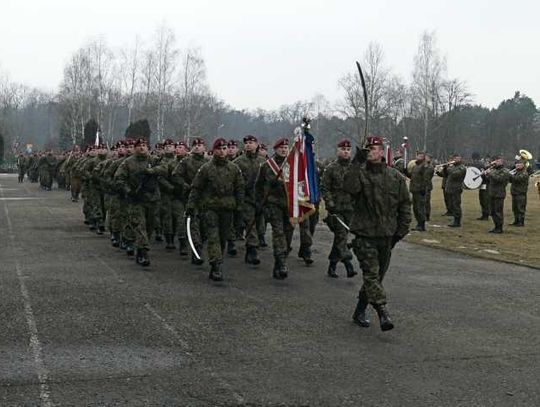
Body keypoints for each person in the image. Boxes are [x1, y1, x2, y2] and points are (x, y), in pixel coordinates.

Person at [343, 136, 411, 331]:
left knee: (377, 277)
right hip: (365, 235)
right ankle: (382, 311)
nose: (371, 151)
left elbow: (405, 204)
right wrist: (357, 162)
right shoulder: (360, 174)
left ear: (382, 152)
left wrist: (401, 230)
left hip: (387, 235)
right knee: (371, 275)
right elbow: (349, 188)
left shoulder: (394, 176)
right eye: (368, 149)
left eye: (374, 148)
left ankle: (359, 310)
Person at [186, 138, 244, 281]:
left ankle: (217, 260)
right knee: (213, 237)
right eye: (219, 149)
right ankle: (216, 264)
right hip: (210, 208)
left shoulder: (234, 168)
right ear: (214, 150)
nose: (222, 152)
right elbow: (196, 188)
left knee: (223, 237)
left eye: (224, 149)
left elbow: (239, 189)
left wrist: (240, 207)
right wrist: (191, 206)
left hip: (227, 208)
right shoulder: (206, 168)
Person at [114, 138, 160, 266]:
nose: (142, 148)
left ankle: (141, 249)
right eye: (139, 146)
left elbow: (166, 169)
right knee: (140, 226)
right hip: (136, 200)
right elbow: (119, 179)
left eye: (144, 145)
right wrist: (128, 191)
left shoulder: (154, 160)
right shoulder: (128, 163)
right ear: (135, 148)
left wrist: (151, 171)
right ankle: (143, 252)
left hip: (152, 200)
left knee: (150, 227)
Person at [255, 137, 294, 279]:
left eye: (286, 148)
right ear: (276, 149)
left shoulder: (292, 166)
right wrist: (260, 204)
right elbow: (258, 187)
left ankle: (279, 262)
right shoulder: (267, 166)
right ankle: (282, 261)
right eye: (281, 148)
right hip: (273, 204)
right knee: (278, 233)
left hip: (289, 205)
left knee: (288, 233)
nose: (284, 150)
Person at [321, 139, 357, 278]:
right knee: (341, 235)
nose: (346, 152)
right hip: (336, 209)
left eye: (348, 150)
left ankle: (332, 265)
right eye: (343, 149)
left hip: (351, 209)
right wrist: (330, 203)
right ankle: (348, 264)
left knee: (340, 238)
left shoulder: (355, 168)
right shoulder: (331, 168)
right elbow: (324, 187)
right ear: (338, 151)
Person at [171, 137, 209, 265]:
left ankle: (199, 245)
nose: (197, 147)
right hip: (189, 198)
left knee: (205, 227)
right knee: (193, 225)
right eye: (195, 145)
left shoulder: (208, 162)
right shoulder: (186, 162)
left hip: (206, 199)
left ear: (204, 147)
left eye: (200, 145)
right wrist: (185, 185)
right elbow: (176, 175)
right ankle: (196, 250)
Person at [233, 135, 266, 265]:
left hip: (260, 199)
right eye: (246, 142)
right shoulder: (238, 162)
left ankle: (250, 249)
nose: (248, 144)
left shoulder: (263, 162)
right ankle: (253, 250)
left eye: (251, 142)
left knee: (259, 225)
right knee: (250, 223)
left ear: (257, 144)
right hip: (246, 199)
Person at [486, 155, 510, 233]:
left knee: (498, 211)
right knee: (492, 211)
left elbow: (499, 179)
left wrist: (491, 173)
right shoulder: (494, 170)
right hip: (492, 193)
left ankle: (499, 228)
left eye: (498, 161)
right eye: (495, 161)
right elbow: (489, 179)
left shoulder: (505, 171)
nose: (496, 162)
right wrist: (486, 174)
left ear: (502, 162)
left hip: (499, 194)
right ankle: (496, 226)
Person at [408, 151, 431, 231]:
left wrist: (423, 188)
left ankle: (422, 225)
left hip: (420, 190)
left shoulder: (424, 166)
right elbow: (413, 176)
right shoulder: (415, 166)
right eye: (418, 156)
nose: (419, 157)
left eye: (421, 156)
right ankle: (418, 223)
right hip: (414, 189)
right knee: (415, 208)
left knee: (420, 208)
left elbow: (426, 178)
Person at [443, 154, 467, 227]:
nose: (455, 160)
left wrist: (449, 167)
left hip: (456, 188)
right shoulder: (453, 167)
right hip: (450, 188)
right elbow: (446, 174)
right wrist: (444, 168)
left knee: (456, 205)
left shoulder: (462, 167)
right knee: (452, 205)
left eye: (457, 158)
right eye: (455, 158)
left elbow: (454, 174)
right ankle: (454, 219)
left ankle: (457, 221)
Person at [509, 160, 530, 227]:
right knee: (515, 208)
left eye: (519, 164)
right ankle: (516, 221)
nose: (517, 165)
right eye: (516, 164)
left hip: (521, 193)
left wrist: (510, 175)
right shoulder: (516, 172)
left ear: (523, 165)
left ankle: (521, 222)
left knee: (520, 208)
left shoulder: (524, 173)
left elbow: (517, 179)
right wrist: (509, 176)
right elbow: (511, 181)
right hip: (515, 192)